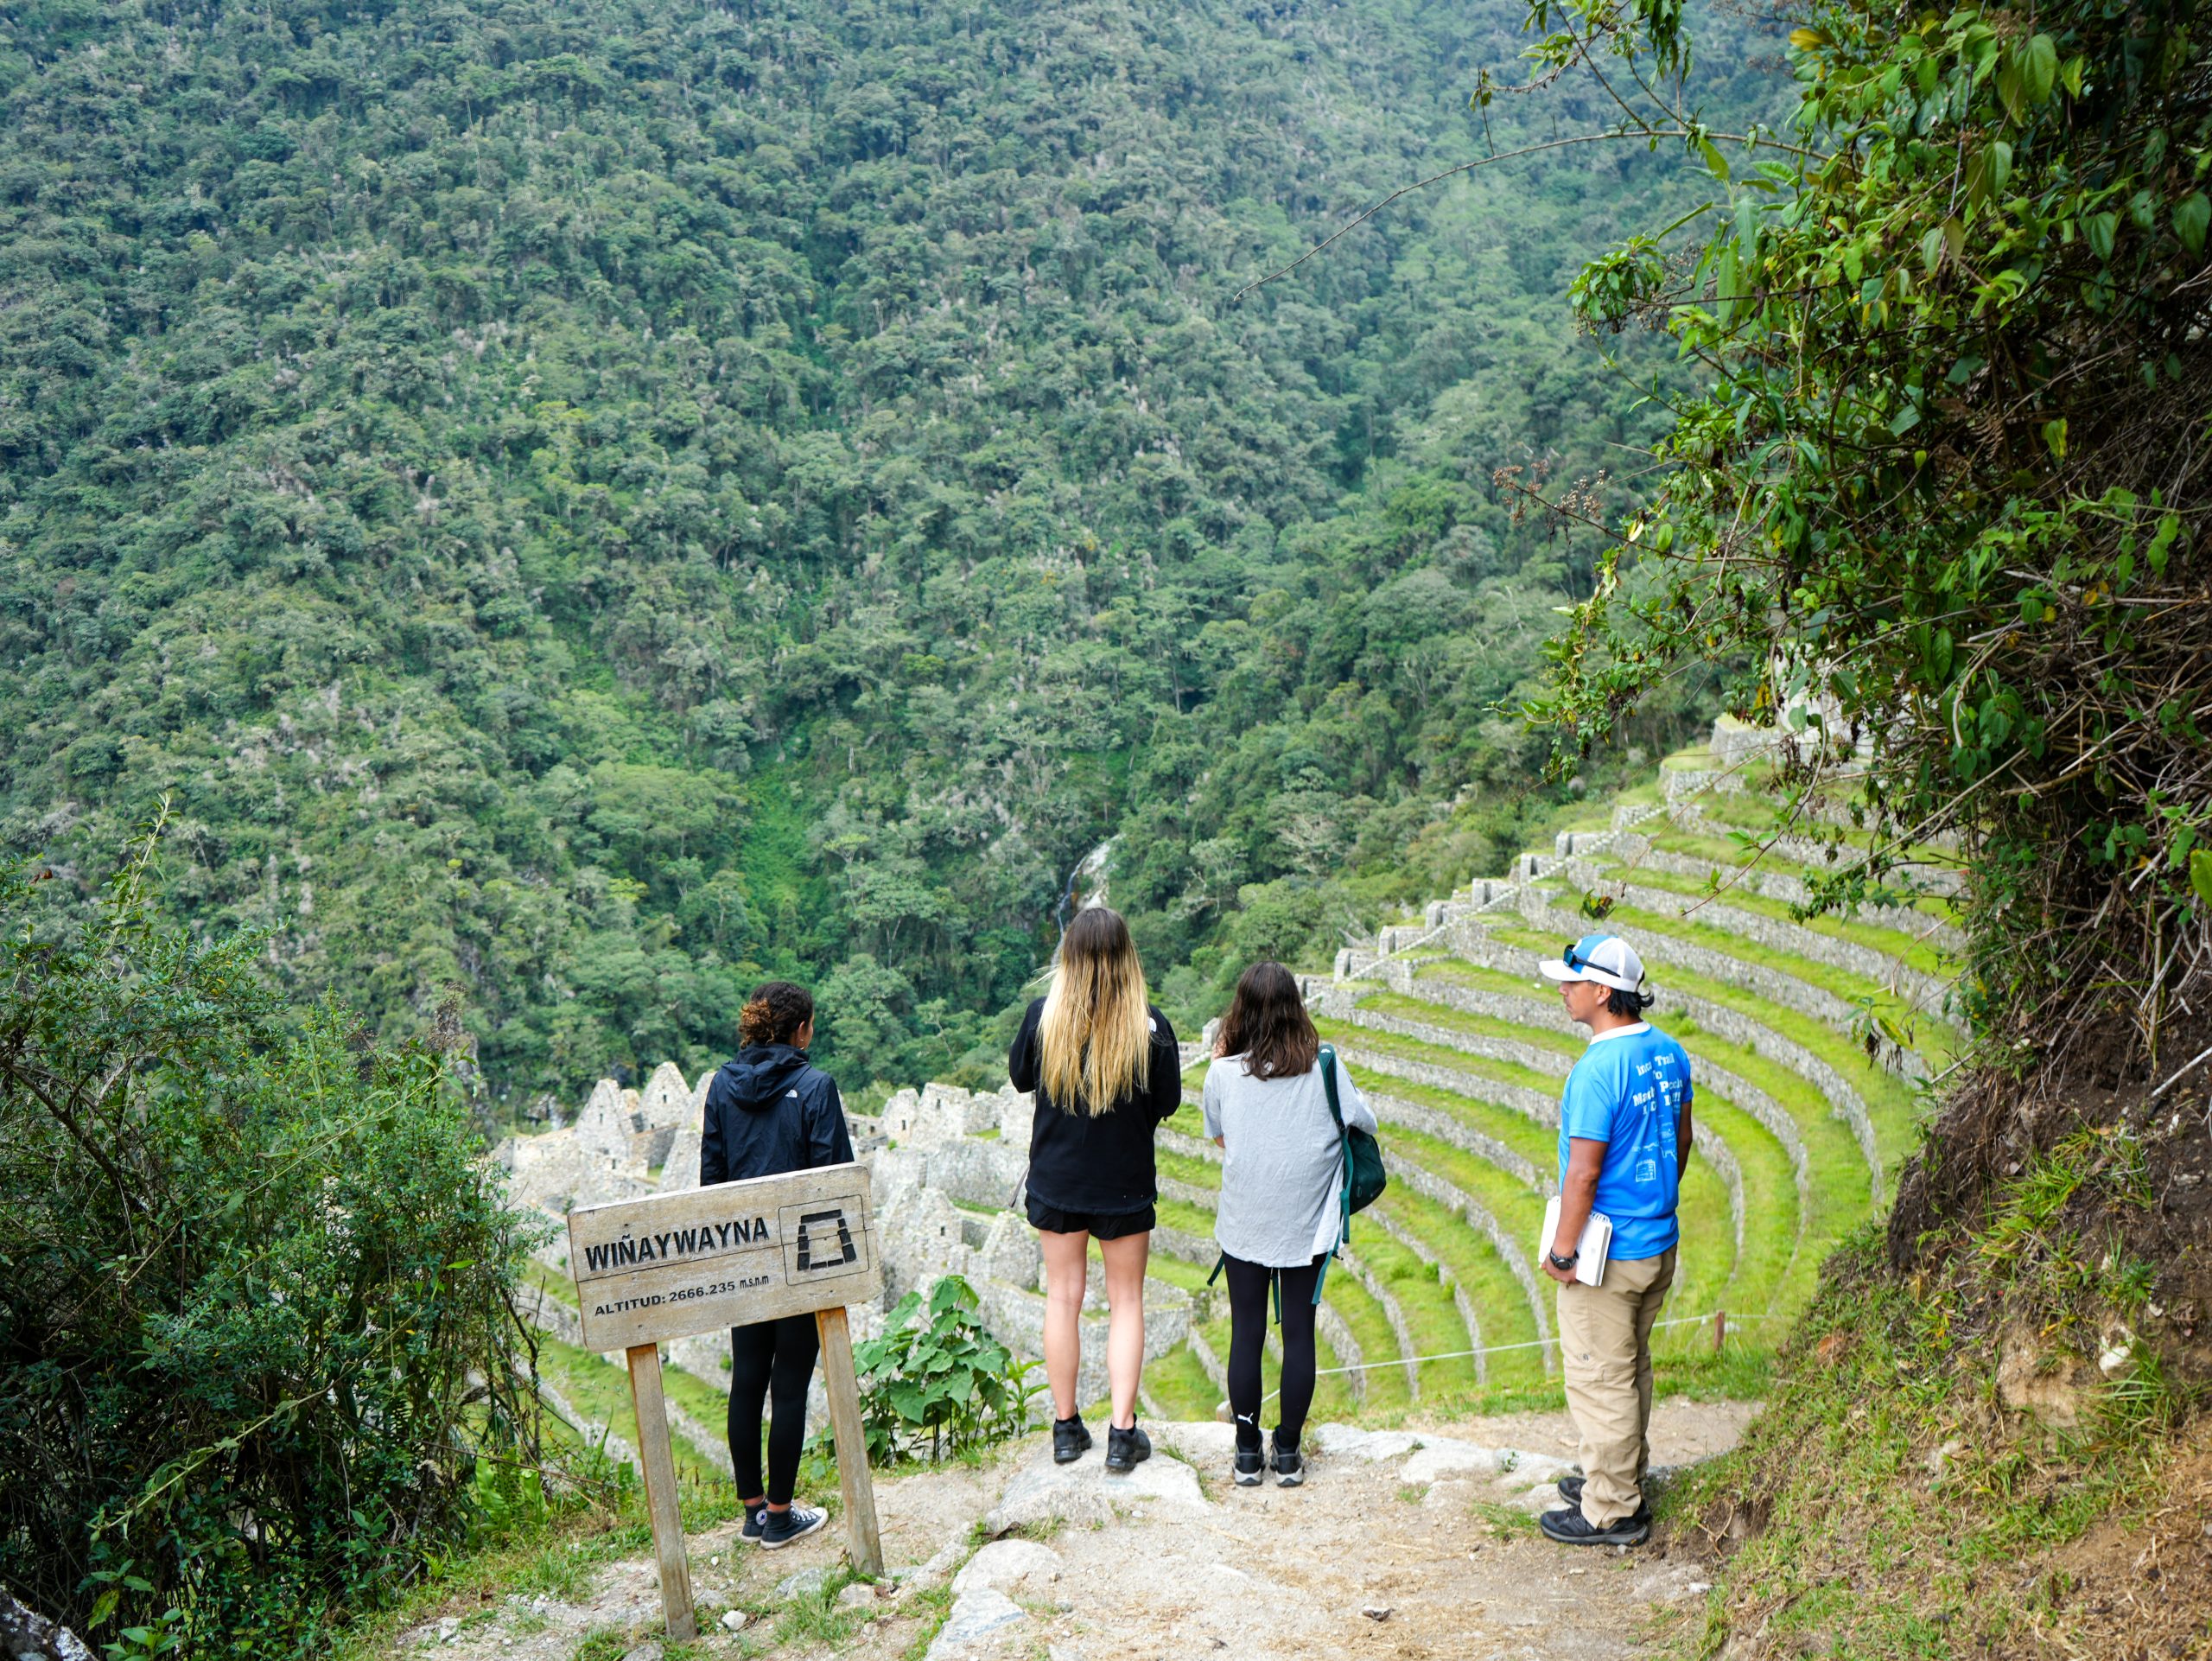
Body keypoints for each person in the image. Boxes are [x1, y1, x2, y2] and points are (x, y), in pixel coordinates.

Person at [1007, 906, 1181, 1473]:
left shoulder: (1043, 1018)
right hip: (1125, 1183)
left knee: (1063, 1298)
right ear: (1127, 958)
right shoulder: (1150, 1026)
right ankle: (1122, 1433)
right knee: (1126, 1301)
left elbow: (1019, 1078)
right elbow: (1168, 1103)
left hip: (1057, 1179)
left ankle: (1065, 1428)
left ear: (1069, 957)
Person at [1535, 933, 1693, 1547]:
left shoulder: (1597, 1070)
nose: (1562, 989)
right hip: (1657, 1243)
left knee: (1600, 1378)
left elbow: (1584, 1173)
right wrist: (1652, 1203)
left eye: (1572, 982)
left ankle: (1612, 1509)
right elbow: (1681, 1142)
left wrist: (1564, 1252)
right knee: (1629, 1369)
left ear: (1604, 992)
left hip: (1609, 1254)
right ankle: (1617, 1476)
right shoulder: (1668, 1052)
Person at [1202, 960, 1377, 1488]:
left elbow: (1220, 1136)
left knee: (1246, 1335)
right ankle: (1288, 1453)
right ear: (1296, 1009)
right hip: (1308, 1226)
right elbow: (1362, 1124)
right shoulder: (1325, 1065)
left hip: (1245, 1225)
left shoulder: (1222, 1074)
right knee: (1300, 1336)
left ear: (1240, 1013)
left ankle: (1246, 1453)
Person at [700, 980, 856, 1550]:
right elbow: (834, 1181)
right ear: (801, 1030)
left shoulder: (721, 1086)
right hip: (798, 1256)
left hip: (742, 1251)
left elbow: (710, 1181)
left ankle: (752, 1513)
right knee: (789, 1385)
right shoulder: (816, 1087)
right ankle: (782, 1514)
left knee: (747, 1379)